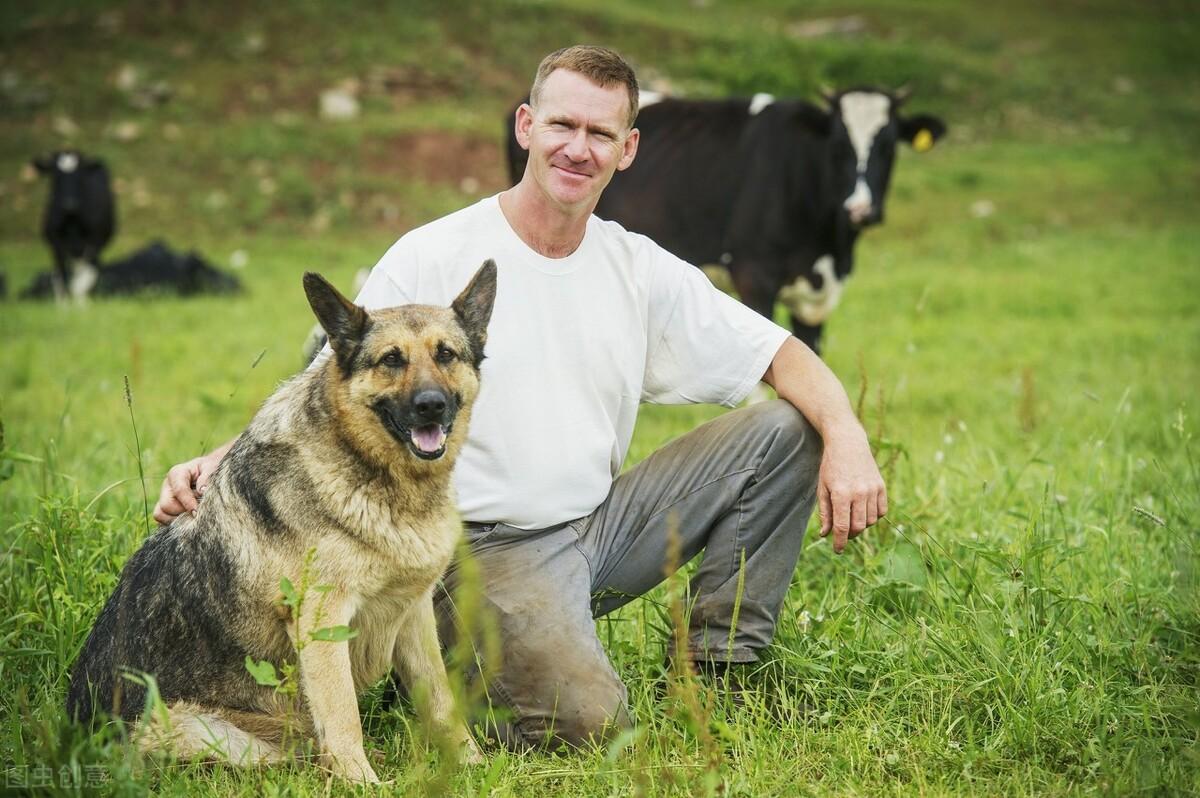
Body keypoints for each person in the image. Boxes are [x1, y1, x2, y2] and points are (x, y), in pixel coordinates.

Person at [154, 45, 886, 751]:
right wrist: (222, 460)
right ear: (526, 127)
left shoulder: (636, 266)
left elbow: (784, 352)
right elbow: (328, 381)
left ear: (628, 149)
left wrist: (848, 437)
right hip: (476, 550)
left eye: (601, 133)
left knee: (793, 429)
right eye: (563, 125)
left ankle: (721, 676)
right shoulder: (434, 252)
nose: (579, 148)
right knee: (593, 723)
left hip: (602, 525)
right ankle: (458, 670)